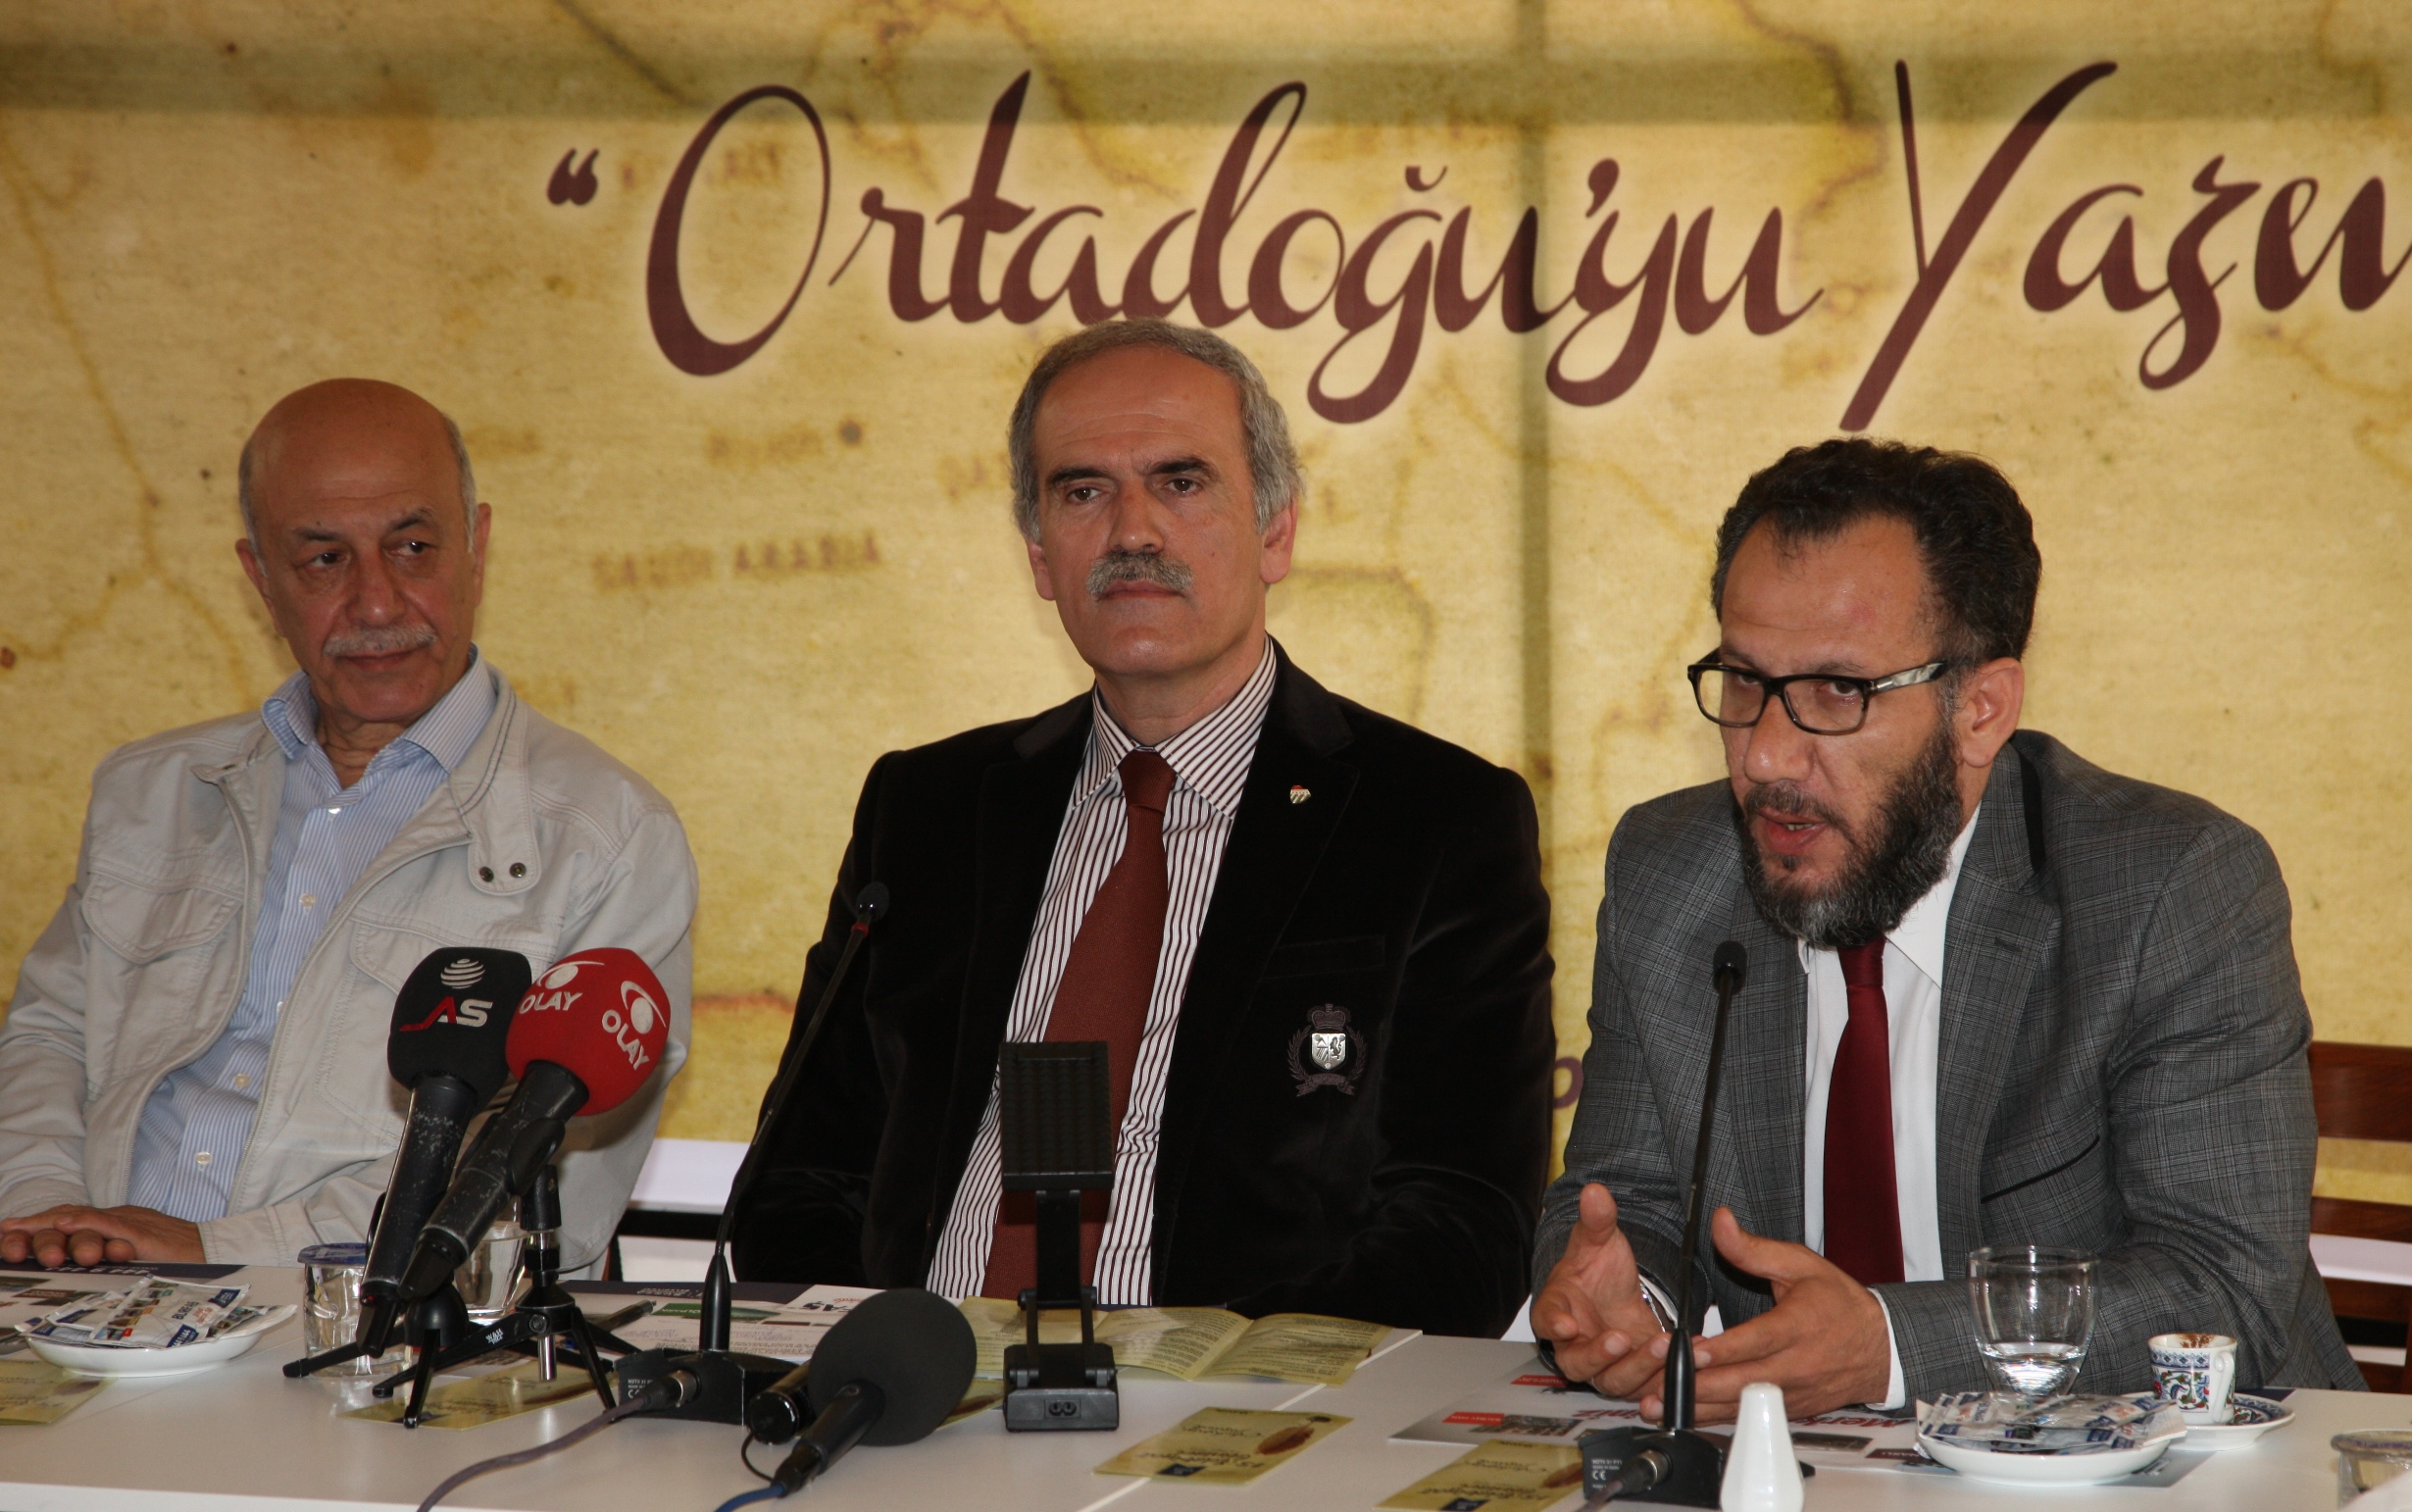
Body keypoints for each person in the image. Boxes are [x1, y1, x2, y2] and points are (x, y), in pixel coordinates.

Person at [735, 320, 1554, 1336]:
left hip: (1235, 1404)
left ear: (1276, 531)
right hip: (919, 1380)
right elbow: (797, 1179)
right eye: (1083, 491)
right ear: (1040, 553)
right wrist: (877, 1355)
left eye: (1181, 482)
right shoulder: (928, 809)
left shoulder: (1433, 820)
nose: (1133, 532)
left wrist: (1208, 1378)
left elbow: (1463, 1226)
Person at [1532, 438, 2359, 1418]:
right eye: (1745, 681)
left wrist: (1888, 1350)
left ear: (1981, 709)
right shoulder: (1672, 871)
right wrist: (1629, 1303)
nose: (1765, 756)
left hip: (2178, 1461)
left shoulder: (2168, 887)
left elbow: (2220, 1286)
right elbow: (1623, 1202)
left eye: (1838, 692)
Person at [0, 379, 693, 1270]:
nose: (376, 604)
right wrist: (47, 1221)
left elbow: (536, 1178)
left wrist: (215, 1249)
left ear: (476, 547)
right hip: (73, 1299)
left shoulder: (607, 837)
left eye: (413, 548)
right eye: (325, 559)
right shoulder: (153, 789)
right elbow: (49, 1037)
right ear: (260, 578)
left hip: (354, 1328)